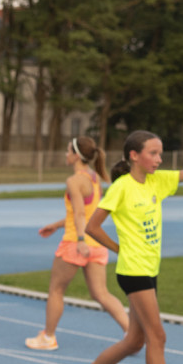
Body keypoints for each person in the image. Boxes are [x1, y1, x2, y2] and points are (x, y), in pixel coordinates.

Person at [61, 130, 183, 364]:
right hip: (133, 271)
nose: (159, 159)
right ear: (134, 155)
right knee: (157, 337)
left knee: (135, 341)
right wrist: (117, 248)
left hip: (150, 270)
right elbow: (93, 226)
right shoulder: (122, 187)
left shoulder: (158, 181)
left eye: (160, 153)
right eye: (153, 153)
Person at [26, 137, 128, 350]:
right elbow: (84, 215)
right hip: (97, 244)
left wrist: (81, 240)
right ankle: (133, 333)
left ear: (75, 155)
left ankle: (48, 337)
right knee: (101, 294)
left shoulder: (74, 181)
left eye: (67, 151)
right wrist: (55, 225)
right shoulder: (94, 179)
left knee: (56, 291)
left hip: (76, 243)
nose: (65, 155)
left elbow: (81, 213)